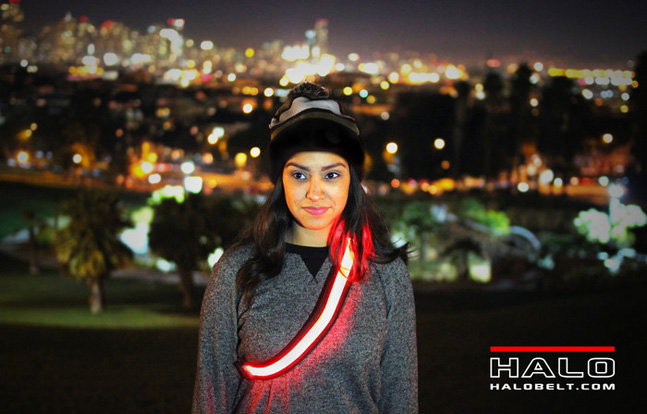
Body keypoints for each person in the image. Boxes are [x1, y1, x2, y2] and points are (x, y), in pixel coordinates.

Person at [192, 82, 418, 413]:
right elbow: (211, 396)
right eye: (299, 175)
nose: (315, 192)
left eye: (331, 175)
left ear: (352, 179)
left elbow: (400, 397)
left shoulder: (387, 275)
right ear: (280, 180)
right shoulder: (236, 270)